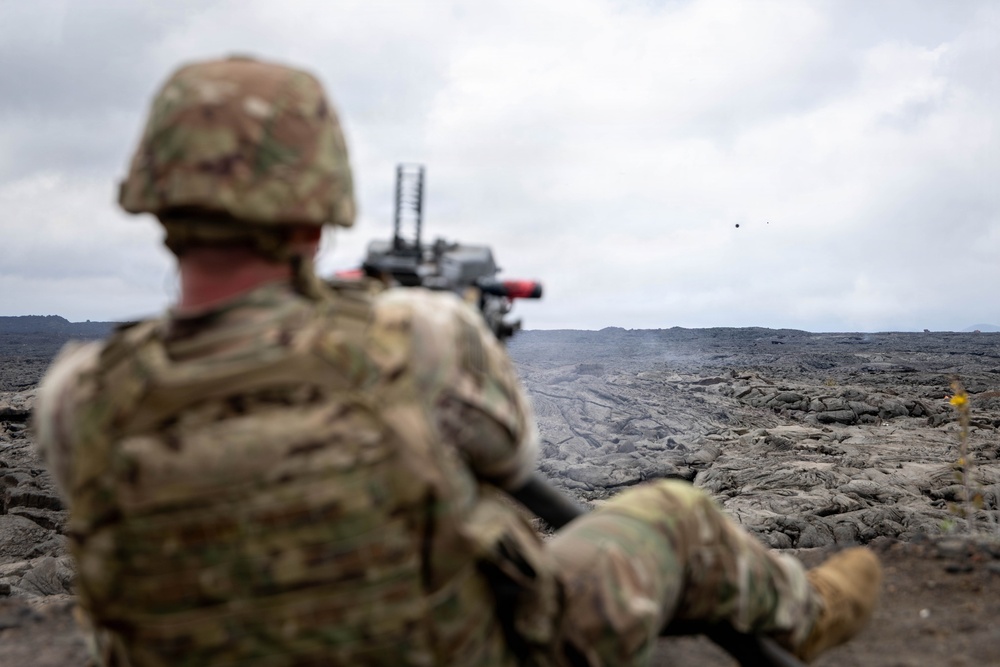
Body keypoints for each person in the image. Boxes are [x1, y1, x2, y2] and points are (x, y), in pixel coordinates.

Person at [34, 55, 881, 667]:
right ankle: (806, 616)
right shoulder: (420, 338)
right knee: (676, 517)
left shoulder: (77, 394)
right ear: (315, 205)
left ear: (156, 199)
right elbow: (512, 461)